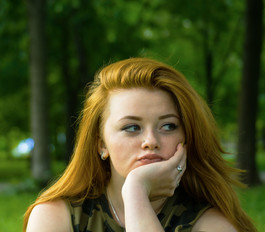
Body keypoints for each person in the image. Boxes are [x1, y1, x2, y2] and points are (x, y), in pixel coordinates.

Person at [23, 58, 257, 232]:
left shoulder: (209, 224)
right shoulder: (55, 218)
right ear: (101, 145)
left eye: (168, 126)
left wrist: (136, 192)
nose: (151, 142)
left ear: (186, 139)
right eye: (132, 128)